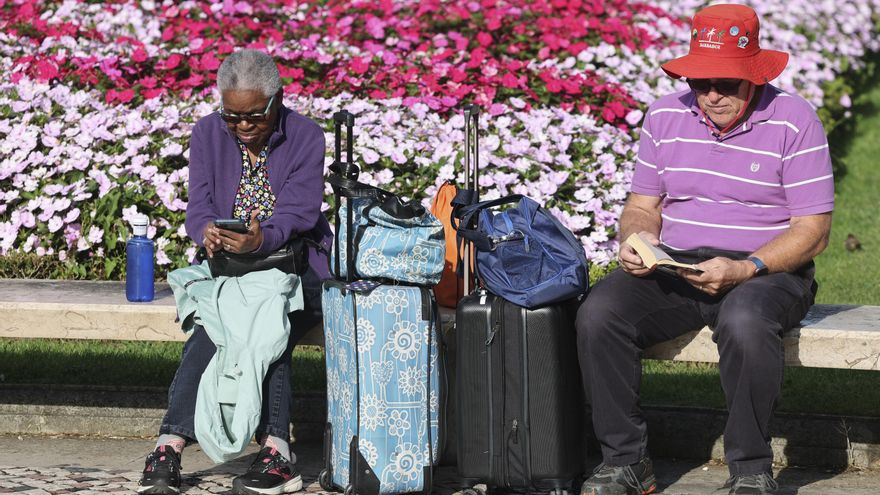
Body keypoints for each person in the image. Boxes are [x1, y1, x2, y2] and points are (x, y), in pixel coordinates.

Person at [576, 4, 833, 495]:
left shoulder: (794, 119)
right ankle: (626, 461)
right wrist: (638, 238)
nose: (711, 95)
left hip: (767, 269)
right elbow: (642, 205)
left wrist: (746, 267)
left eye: (726, 84)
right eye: (700, 83)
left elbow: (813, 230)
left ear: (753, 77)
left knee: (744, 323)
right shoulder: (666, 114)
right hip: (676, 262)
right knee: (598, 313)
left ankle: (751, 471)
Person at [137, 49, 332, 495]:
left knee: (269, 319)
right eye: (232, 116)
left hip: (295, 265)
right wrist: (206, 231)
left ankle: (269, 448)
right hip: (230, 269)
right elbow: (199, 205)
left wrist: (260, 240)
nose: (243, 126)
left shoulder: (306, 136)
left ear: (277, 100)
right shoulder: (206, 133)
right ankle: (175, 445)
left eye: (253, 116)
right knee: (222, 322)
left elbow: (298, 214)